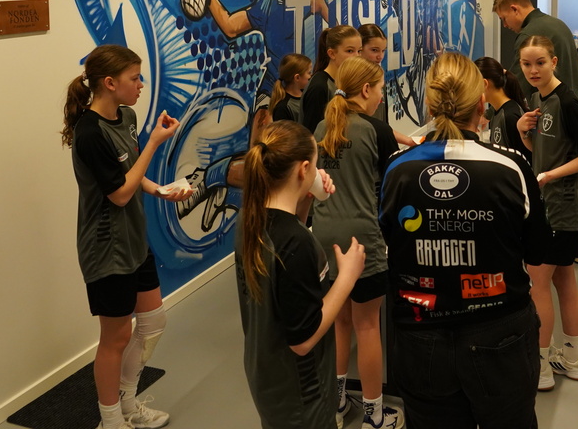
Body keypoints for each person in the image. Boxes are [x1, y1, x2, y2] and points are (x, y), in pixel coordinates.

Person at [380, 52, 551, 429]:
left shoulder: (397, 169)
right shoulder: (510, 166)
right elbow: (538, 250)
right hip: (500, 332)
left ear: (429, 105)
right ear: (481, 103)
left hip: (420, 334)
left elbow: (389, 243)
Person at [62, 44, 192, 429]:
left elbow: (131, 174)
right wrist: (154, 142)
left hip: (134, 239)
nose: (140, 85)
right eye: (134, 78)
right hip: (106, 249)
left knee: (153, 322)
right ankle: (111, 420)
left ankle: (129, 405)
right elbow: (118, 194)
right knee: (115, 338)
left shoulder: (127, 116)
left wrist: (159, 190)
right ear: (109, 82)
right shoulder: (90, 133)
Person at [234, 119, 366, 429]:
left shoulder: (250, 219)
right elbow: (303, 340)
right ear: (304, 169)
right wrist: (347, 277)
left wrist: (306, 198)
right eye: (315, 166)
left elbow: (285, 265)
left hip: (269, 376)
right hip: (302, 395)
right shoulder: (296, 243)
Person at [313, 57, 402, 429]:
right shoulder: (376, 130)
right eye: (380, 89)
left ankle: (336, 404)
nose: (381, 96)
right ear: (366, 89)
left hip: (323, 238)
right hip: (361, 240)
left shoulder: (322, 125)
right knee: (367, 326)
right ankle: (374, 415)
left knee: (340, 322)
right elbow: (393, 187)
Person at [516, 36, 578, 391]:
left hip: (561, 209)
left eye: (540, 62)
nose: (533, 70)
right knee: (564, 280)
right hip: (550, 206)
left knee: (538, 286)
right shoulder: (538, 100)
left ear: (554, 62)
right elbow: (541, 151)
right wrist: (523, 133)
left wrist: (551, 175)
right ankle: (573, 358)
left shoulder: (567, 101)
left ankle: (540, 366)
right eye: (526, 64)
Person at [198, 0, 330, 134]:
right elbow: (231, 27)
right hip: (272, 84)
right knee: (261, 124)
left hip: (298, 85)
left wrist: (334, 42)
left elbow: (321, 5)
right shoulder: (265, 3)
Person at [493, 0, 578, 104]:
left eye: (504, 19)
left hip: (554, 109)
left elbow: (518, 85)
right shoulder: (558, 24)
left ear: (514, 9)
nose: (505, 25)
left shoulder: (528, 35)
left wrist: (494, 109)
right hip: (576, 104)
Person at [359, 23, 417, 150]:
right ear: (360, 49)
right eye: (374, 50)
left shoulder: (379, 76)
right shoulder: (353, 83)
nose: (380, 56)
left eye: (383, 50)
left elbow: (383, 125)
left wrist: (409, 140)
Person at [302, 25, 361, 133]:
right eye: (349, 51)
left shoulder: (344, 82)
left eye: (359, 51)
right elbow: (312, 133)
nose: (357, 56)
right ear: (332, 53)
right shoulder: (319, 87)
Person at [475, 55, 530, 163]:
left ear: (485, 84)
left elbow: (525, 162)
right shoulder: (497, 112)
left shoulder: (510, 116)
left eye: (473, 84)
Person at [270, 53, 312, 124]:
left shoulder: (308, 95)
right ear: (297, 77)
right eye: (309, 73)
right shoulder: (283, 108)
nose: (311, 76)